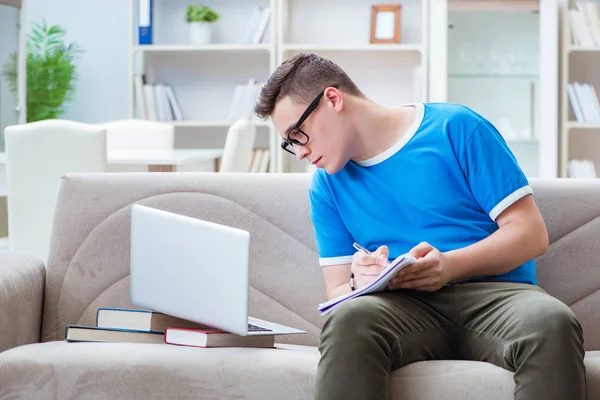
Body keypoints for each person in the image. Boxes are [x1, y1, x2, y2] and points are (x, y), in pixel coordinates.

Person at [253, 53, 585, 400]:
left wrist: (449, 266)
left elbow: (530, 233)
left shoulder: (456, 127)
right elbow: (337, 292)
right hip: (402, 307)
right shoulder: (326, 186)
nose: (300, 151)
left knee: (552, 322)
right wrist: (360, 280)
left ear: (333, 99)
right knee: (349, 320)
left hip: (498, 297)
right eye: (290, 143)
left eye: (298, 134)